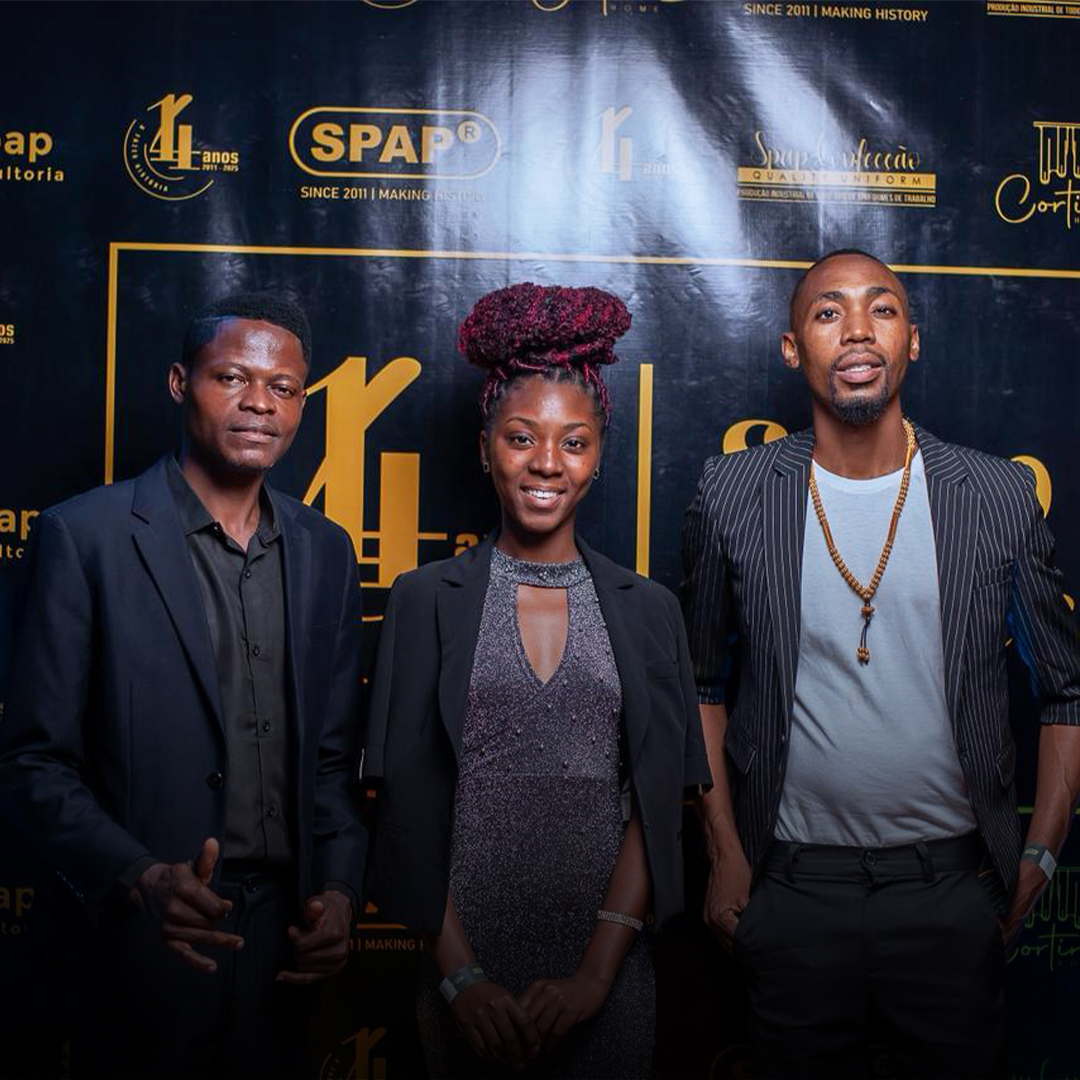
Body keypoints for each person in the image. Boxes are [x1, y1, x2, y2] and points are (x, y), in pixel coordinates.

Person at [682, 249, 1080, 1078]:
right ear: (793, 348)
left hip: (951, 891)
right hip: (790, 893)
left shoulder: (996, 495)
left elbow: (1064, 692)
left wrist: (1039, 855)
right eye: (828, 312)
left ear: (913, 340)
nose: (858, 330)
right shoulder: (733, 493)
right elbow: (700, 684)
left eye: (883, 309)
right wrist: (724, 853)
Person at [0, 293, 366, 1079]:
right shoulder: (83, 537)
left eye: (283, 387)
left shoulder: (327, 551)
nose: (259, 403)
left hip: (284, 953)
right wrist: (137, 876)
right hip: (139, 942)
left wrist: (339, 894)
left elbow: (333, 765)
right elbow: (32, 762)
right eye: (232, 378)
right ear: (178, 382)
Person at [362, 282, 711, 1078]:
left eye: (574, 442)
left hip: (606, 969)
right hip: (462, 968)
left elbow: (657, 805)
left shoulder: (650, 609)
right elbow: (400, 803)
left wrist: (596, 975)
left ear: (599, 455)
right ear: (486, 447)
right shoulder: (423, 600)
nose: (547, 463)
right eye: (521, 437)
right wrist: (460, 976)